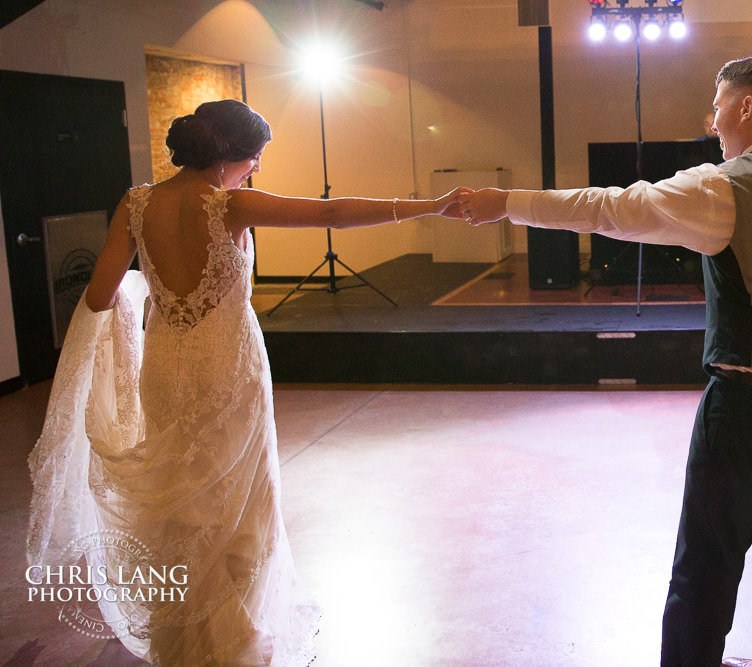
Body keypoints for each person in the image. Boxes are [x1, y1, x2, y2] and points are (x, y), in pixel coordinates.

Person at [458, 56, 752, 667]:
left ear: (746, 107)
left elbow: (607, 208)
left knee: (706, 558)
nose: (710, 120)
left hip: (745, 398)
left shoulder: (723, 187)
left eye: (716, 105)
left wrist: (507, 202)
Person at [26, 99, 464, 665]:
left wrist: (150, 298)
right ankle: (230, 642)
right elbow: (332, 213)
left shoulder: (135, 204)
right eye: (256, 157)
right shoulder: (229, 205)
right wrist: (431, 206)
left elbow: (98, 297)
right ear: (230, 154)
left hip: (163, 367)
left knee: (182, 503)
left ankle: (183, 635)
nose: (256, 168)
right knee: (235, 502)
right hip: (227, 370)